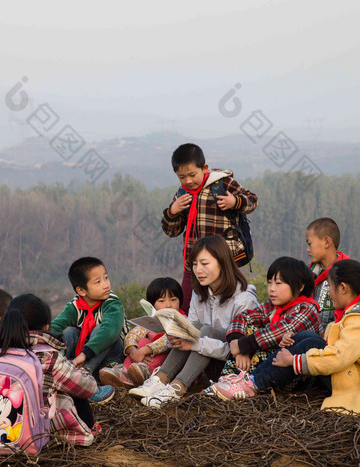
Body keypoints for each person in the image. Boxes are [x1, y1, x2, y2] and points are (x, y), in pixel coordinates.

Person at [212, 260, 360, 414]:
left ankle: (253, 384)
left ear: (343, 288)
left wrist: (294, 360)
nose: (328, 293)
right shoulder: (354, 312)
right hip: (354, 373)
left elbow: (339, 357)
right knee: (306, 337)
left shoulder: (359, 320)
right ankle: (249, 380)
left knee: (310, 342)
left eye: (329, 287)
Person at [129, 235, 259, 408]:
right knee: (192, 328)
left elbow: (239, 349)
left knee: (204, 330)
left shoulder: (244, 300)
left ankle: (178, 387)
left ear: (222, 262)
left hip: (233, 367)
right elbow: (190, 329)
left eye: (205, 264)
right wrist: (175, 337)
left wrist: (195, 344)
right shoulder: (200, 293)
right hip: (207, 363)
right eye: (195, 264)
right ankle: (160, 380)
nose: (198, 270)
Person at [0, 294, 111, 446]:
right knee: (73, 388)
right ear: (46, 327)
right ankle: (88, 429)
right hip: (37, 431)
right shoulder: (48, 357)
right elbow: (89, 388)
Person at [161, 143, 258, 312]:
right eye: (182, 177)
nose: (188, 181)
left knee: (226, 304)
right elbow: (171, 231)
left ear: (204, 168)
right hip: (194, 263)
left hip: (224, 261)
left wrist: (235, 202)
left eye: (192, 175)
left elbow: (252, 200)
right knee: (188, 306)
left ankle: (230, 335)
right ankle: (190, 336)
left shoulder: (223, 183)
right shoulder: (182, 194)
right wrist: (172, 212)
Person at [212, 257, 320, 394]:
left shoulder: (308, 308)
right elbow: (242, 317)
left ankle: (243, 384)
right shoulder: (272, 306)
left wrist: (243, 345)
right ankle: (230, 380)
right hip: (270, 368)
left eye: (278, 283)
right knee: (250, 329)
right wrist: (238, 344)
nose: (271, 289)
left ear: (299, 286)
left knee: (260, 337)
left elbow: (283, 330)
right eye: (270, 283)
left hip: (294, 376)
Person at [50, 257, 129, 379]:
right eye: (98, 282)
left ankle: (84, 374)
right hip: (79, 358)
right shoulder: (74, 306)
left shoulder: (112, 302)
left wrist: (84, 355)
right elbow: (55, 326)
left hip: (111, 358)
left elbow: (110, 331)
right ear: (81, 290)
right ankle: (58, 366)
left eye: (106, 278)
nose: (106, 285)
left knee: (100, 330)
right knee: (68, 332)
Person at [99, 277, 185, 388]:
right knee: (143, 340)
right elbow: (132, 335)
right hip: (140, 359)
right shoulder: (151, 321)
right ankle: (126, 372)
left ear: (180, 301)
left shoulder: (182, 320)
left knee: (162, 347)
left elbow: (167, 341)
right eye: (162, 301)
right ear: (152, 305)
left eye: (173, 300)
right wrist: (134, 351)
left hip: (167, 365)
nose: (168, 305)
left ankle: (142, 374)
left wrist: (145, 351)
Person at [306, 218, 349, 330]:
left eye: (310, 244)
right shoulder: (307, 275)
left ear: (326, 242)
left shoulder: (347, 275)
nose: (307, 249)